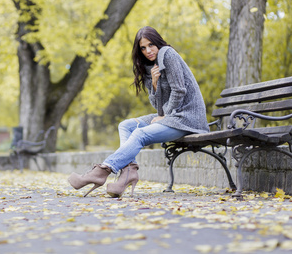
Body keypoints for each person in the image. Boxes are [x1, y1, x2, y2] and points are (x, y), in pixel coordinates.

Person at [68, 26, 209, 198]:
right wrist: (155, 85)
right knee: (126, 125)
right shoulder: (150, 66)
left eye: (151, 45)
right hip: (171, 117)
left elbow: (179, 90)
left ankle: (102, 171)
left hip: (187, 119)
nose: (148, 51)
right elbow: (157, 107)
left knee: (140, 134)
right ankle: (128, 173)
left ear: (158, 43)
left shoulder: (167, 54)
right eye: (143, 48)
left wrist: (165, 116)